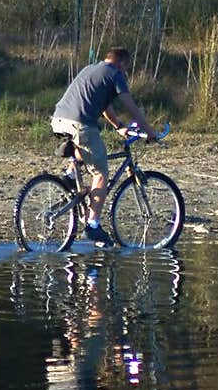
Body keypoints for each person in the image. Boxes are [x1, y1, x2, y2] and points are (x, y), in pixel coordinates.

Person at [51, 47, 158, 247]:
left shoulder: (91, 69)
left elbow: (104, 106)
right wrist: (150, 131)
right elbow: (130, 105)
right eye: (126, 68)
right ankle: (92, 225)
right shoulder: (115, 74)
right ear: (122, 64)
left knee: (87, 149)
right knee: (100, 173)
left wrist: (119, 126)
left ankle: (70, 176)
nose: (125, 72)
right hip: (80, 123)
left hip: (59, 119)